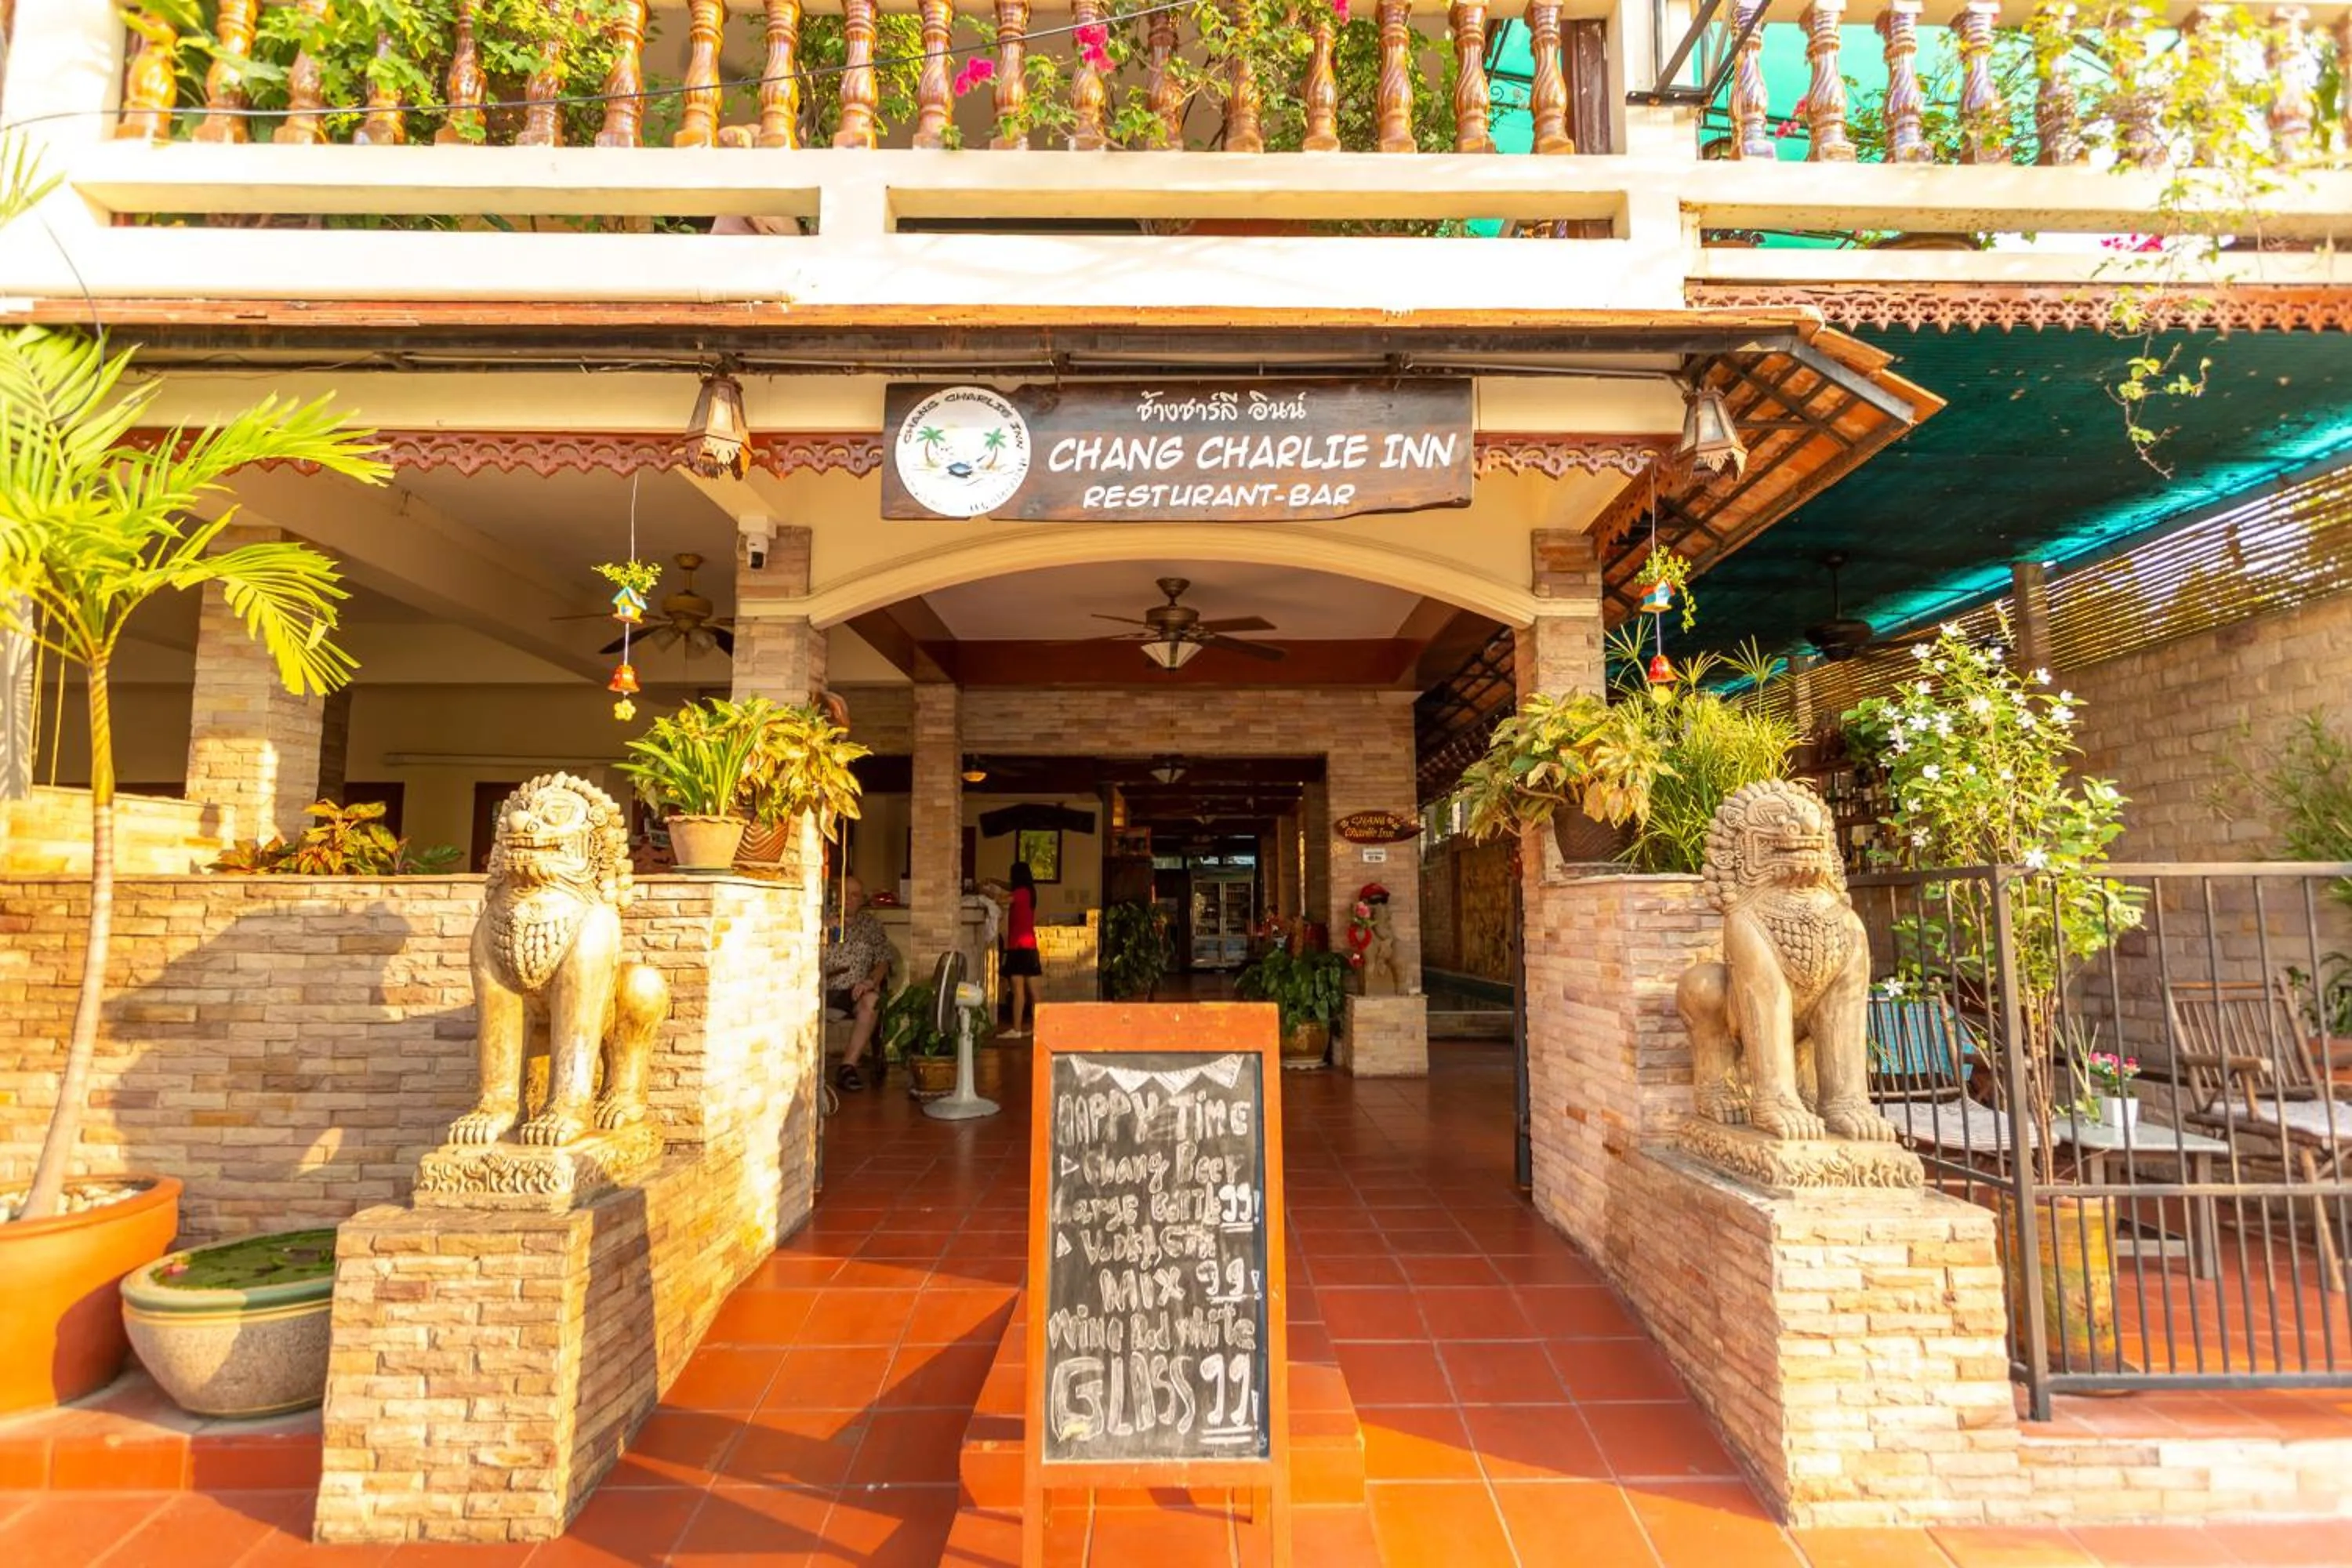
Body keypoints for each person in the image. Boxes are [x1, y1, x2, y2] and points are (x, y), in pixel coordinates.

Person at [822, 873, 893, 1092]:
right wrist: (823, 930)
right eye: (845, 894)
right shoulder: (820, 919)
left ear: (862, 899)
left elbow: (883, 961)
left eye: (855, 895)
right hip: (822, 989)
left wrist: (870, 981)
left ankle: (847, 1067)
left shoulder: (870, 925)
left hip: (855, 990)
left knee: (871, 1001)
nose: (849, 900)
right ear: (835, 897)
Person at [1001, 860, 1041, 1038]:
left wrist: (984, 891)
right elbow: (1008, 888)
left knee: (1018, 991)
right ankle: (1040, 1028)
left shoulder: (1020, 893)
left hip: (1018, 947)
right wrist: (993, 881)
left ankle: (1016, 1029)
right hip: (1030, 947)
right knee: (1034, 992)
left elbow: (1001, 899)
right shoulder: (1029, 892)